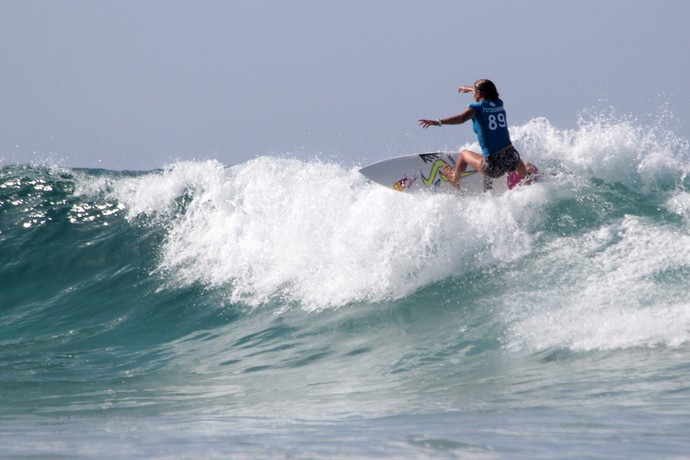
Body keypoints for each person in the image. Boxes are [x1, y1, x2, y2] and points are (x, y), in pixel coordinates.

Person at [419, 79, 530, 188]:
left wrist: (438, 122)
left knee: (463, 154)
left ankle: (453, 179)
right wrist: (468, 88)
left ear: (479, 93)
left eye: (474, 91)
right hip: (512, 157)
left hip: (493, 166)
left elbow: (461, 118)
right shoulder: (499, 103)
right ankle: (529, 179)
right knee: (520, 165)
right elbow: (484, 92)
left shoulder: (476, 108)